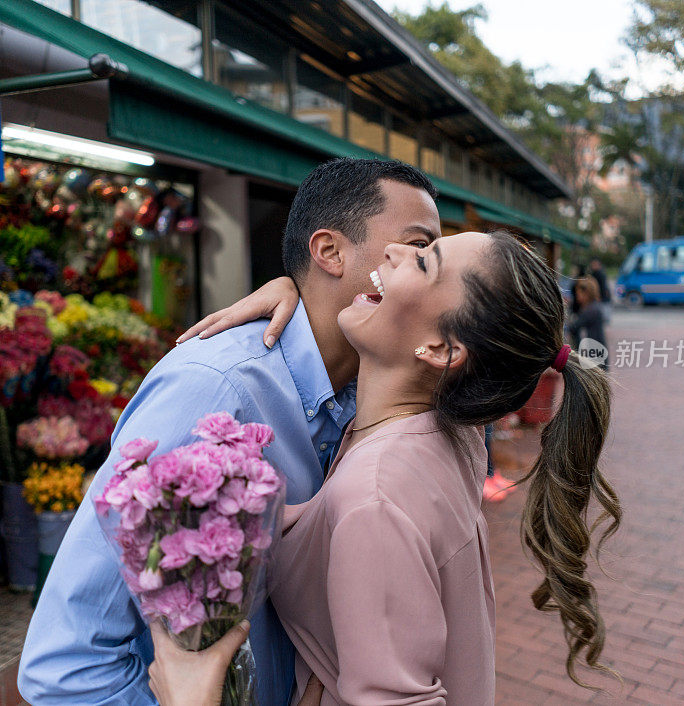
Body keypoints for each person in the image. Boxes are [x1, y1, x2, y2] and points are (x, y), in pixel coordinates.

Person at [18, 157, 442, 706]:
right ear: (331, 252)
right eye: (417, 246)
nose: (425, 268)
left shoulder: (376, 390)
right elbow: (66, 664)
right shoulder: (215, 391)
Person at [149, 230, 621, 704]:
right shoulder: (448, 428)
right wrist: (297, 293)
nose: (395, 250)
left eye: (423, 261)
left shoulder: (376, 495)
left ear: (440, 350)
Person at [568, 277, 608, 371]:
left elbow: (573, 327)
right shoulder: (594, 307)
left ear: (586, 293)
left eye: (578, 293)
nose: (577, 296)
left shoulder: (591, 310)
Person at [589, 257, 612, 322]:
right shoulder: (599, 273)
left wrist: (599, 296)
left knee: (602, 314)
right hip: (602, 297)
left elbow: (602, 286)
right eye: (592, 264)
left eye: (595, 264)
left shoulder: (599, 274)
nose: (593, 266)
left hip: (602, 297)